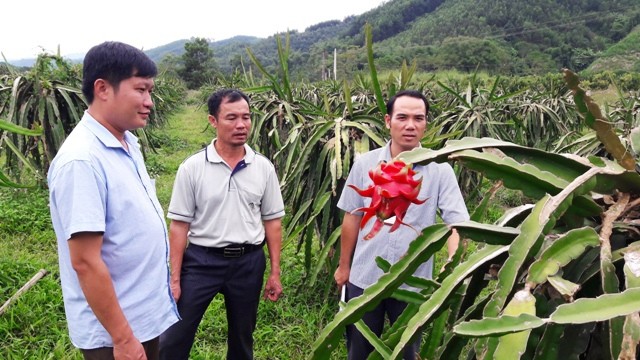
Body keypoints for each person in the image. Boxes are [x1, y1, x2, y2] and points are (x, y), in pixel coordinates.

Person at [48, 41, 179, 360]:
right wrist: (122, 338)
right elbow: (85, 261)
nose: (149, 102)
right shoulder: (82, 160)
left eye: (150, 91)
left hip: (140, 316)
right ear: (103, 89)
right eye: (141, 89)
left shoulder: (127, 143)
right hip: (114, 333)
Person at [334, 90, 469, 360]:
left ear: (426, 123)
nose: (410, 125)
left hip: (413, 281)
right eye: (402, 117)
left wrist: (454, 262)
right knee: (358, 351)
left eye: (418, 118)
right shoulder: (366, 164)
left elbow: (457, 223)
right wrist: (344, 266)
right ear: (388, 121)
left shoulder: (439, 169)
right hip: (365, 275)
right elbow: (352, 216)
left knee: (408, 352)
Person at [159, 89, 285, 360]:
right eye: (231, 118)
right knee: (174, 336)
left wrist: (274, 272)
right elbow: (179, 226)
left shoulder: (263, 168)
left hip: (248, 262)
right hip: (202, 260)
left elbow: (272, 222)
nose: (241, 125)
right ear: (213, 121)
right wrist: (175, 278)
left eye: (246, 117)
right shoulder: (192, 168)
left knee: (242, 338)